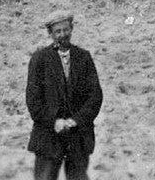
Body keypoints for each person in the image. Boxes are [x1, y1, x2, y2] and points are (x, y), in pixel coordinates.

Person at [26, 12, 103, 180]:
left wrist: (76, 120)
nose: (62, 35)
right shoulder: (40, 59)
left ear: (72, 29)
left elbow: (95, 96)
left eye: (66, 30)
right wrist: (54, 121)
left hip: (78, 137)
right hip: (48, 137)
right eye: (58, 31)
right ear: (51, 34)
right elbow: (33, 100)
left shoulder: (84, 57)